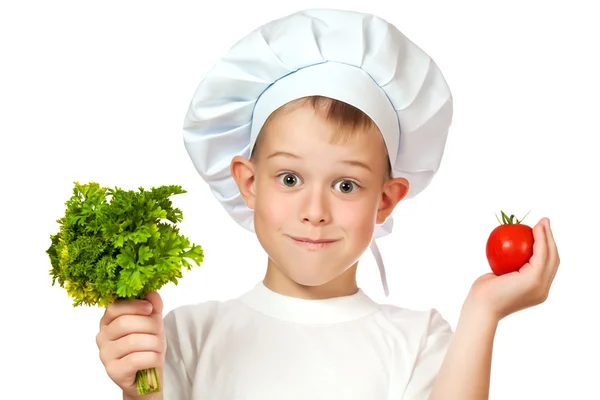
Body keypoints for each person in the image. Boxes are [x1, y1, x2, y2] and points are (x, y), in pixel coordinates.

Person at [95, 9, 560, 400]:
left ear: (386, 199)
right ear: (249, 183)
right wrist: (138, 388)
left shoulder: (420, 342)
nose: (314, 210)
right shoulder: (186, 337)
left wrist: (484, 310)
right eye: (290, 178)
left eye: (346, 186)